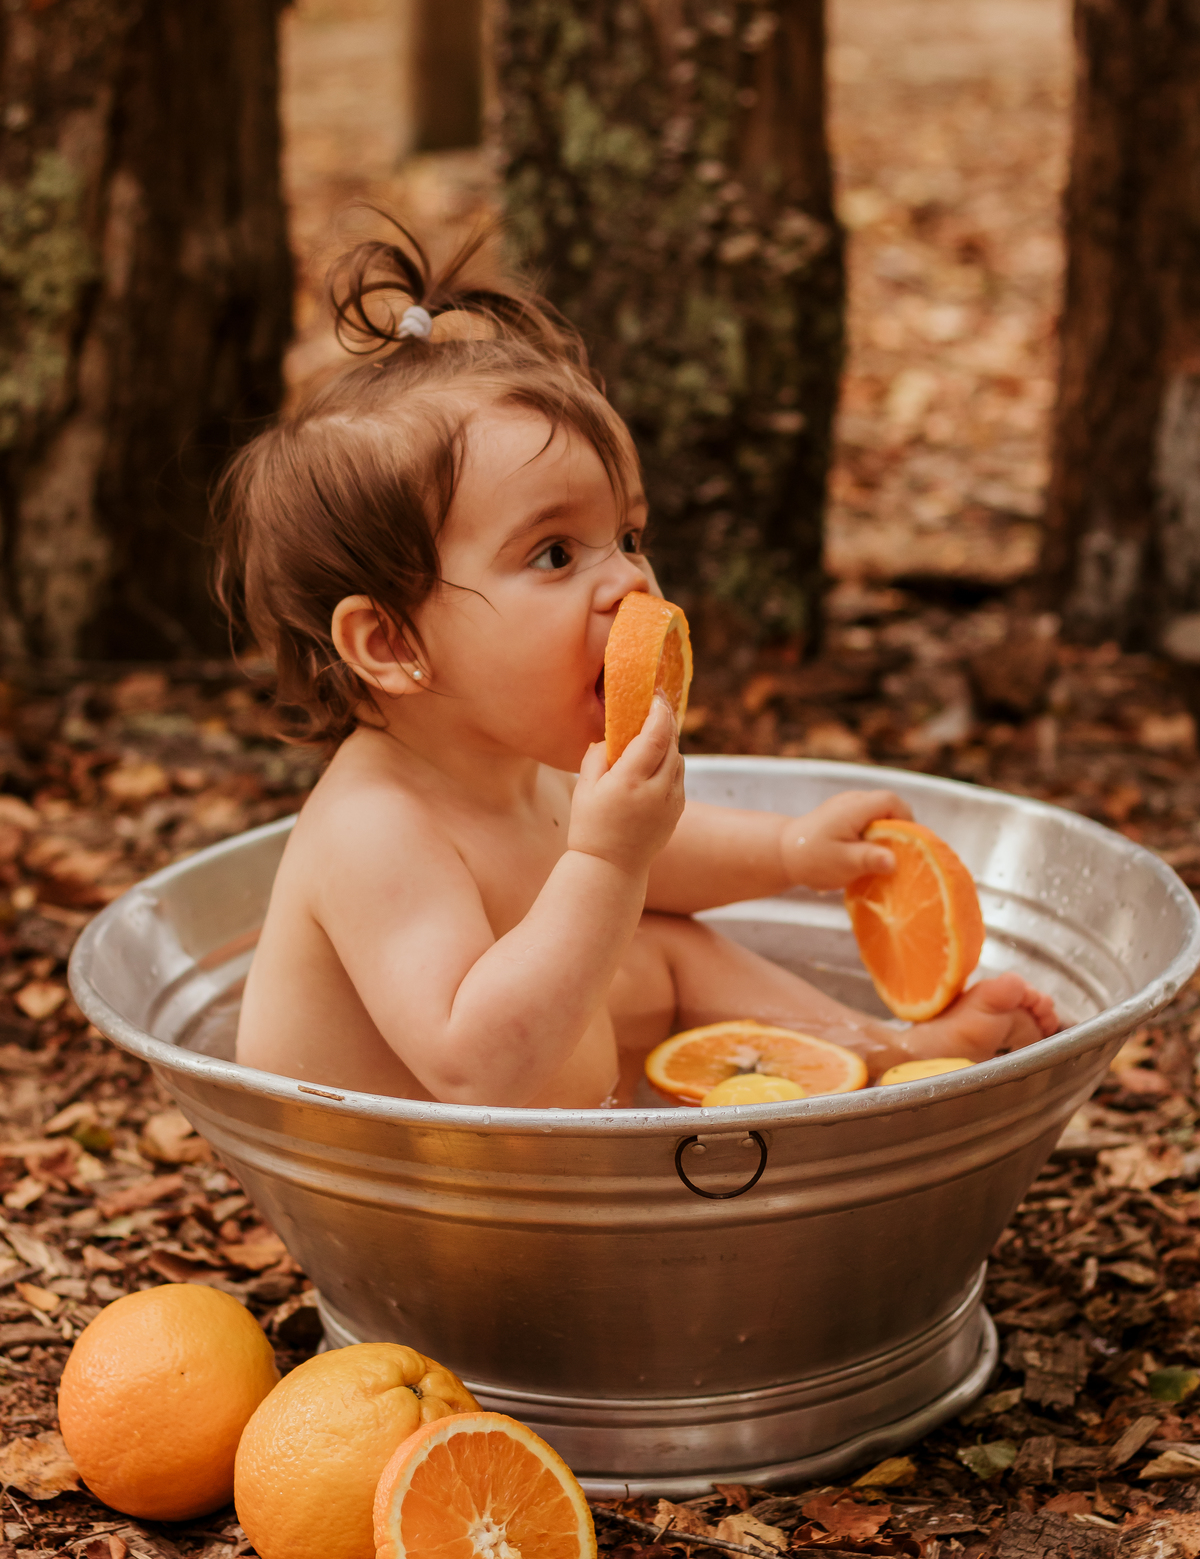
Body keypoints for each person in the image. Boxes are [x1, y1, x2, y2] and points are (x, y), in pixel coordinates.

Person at [217, 221, 1057, 1108]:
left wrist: (789, 852)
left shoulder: (511, 755)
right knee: (619, 913)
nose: (629, 578)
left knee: (667, 943)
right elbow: (475, 1067)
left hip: (557, 1146)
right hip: (424, 1205)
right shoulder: (375, 830)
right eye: (553, 554)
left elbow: (658, 855)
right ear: (392, 644)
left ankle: (879, 1057)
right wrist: (607, 863)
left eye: (627, 535)